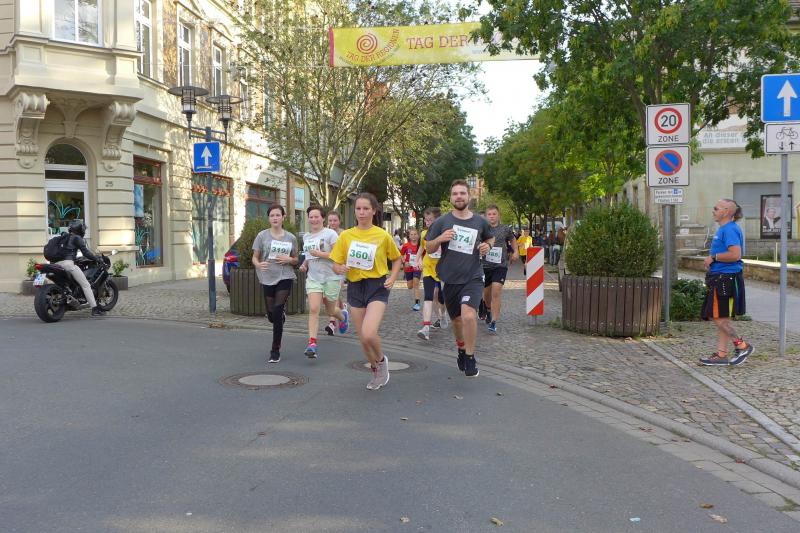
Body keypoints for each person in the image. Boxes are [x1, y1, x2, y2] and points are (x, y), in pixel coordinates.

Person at [330, 193, 402, 390]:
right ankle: (376, 369)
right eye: (358, 209)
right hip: (355, 286)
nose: (361, 212)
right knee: (363, 339)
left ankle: (381, 361)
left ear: (374, 211)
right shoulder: (346, 236)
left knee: (369, 333)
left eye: (366, 209)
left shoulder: (382, 235)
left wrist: (393, 277)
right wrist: (339, 268)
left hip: (377, 286)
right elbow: (335, 263)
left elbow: (397, 259)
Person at [426, 180, 494, 377]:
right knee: (456, 321)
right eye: (455, 193)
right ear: (450, 198)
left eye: (462, 193)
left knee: (469, 316)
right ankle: (462, 349)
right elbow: (428, 247)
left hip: (473, 276)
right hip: (449, 278)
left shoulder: (480, 221)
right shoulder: (442, 222)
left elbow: (490, 237)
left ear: (468, 196)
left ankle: (471, 357)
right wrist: (440, 239)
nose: (459, 197)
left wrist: (488, 246)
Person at [700, 198, 754, 366]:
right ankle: (721, 355)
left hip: (724, 279)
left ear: (727, 212)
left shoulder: (729, 229)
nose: (713, 210)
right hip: (722, 278)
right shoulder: (725, 228)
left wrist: (713, 257)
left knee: (717, 317)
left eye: (716, 208)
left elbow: (735, 254)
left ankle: (742, 346)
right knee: (722, 317)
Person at [299, 204, 349, 359]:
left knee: (330, 311)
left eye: (316, 217)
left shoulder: (330, 234)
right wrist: (304, 264)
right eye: (311, 217)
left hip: (331, 277)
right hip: (314, 278)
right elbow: (309, 255)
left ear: (322, 218)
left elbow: (339, 255)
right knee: (314, 309)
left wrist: (320, 254)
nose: (314, 219)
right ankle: (312, 344)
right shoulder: (306, 237)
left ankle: (342, 316)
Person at [252, 204, 299, 363]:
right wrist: (259, 264)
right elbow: (255, 257)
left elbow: (296, 259)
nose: (275, 218)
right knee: (272, 315)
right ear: (269, 218)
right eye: (272, 215)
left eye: (278, 215)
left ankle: (275, 350)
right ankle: (278, 315)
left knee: (277, 310)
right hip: (267, 276)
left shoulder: (291, 238)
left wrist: (289, 259)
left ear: (283, 217)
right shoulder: (262, 236)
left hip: (285, 276)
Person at [481, 205, 518, 333]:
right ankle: (487, 308)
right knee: (487, 294)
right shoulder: (482, 229)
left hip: (500, 265)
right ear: (486, 216)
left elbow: (513, 240)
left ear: (498, 215)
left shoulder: (505, 229)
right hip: (485, 266)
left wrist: (516, 252)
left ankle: (493, 322)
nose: (492, 216)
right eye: (489, 214)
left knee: (496, 291)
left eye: (494, 214)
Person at [57, 220, 106, 317]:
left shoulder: (63, 236)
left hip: (56, 264)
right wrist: (97, 259)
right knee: (86, 285)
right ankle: (95, 309)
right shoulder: (77, 238)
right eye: (83, 229)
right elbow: (86, 252)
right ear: (80, 229)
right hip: (68, 264)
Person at [417, 207, 447, 341]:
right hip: (428, 268)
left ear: (438, 221)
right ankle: (426, 327)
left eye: (430, 220)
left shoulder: (445, 234)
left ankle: (443, 315)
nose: (427, 222)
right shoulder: (424, 233)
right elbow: (421, 248)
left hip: (442, 269)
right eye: (426, 220)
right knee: (428, 296)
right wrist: (418, 260)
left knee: (441, 298)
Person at [325, 211, 345, 336]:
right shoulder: (324, 233)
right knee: (331, 295)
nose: (332, 223)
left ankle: (332, 323)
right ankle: (342, 308)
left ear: (339, 221)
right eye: (330, 220)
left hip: (340, 268)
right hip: (327, 268)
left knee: (335, 293)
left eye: (335, 220)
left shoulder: (343, 234)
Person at [400, 228, 422, 311]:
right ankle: (414, 283)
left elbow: (424, 255)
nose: (413, 236)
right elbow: (401, 255)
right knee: (410, 286)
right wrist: (404, 262)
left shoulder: (421, 246)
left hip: (417, 267)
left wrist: (421, 263)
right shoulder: (406, 245)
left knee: (416, 283)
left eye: (415, 234)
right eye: (411, 234)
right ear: (409, 236)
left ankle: (417, 303)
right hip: (408, 268)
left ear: (418, 235)